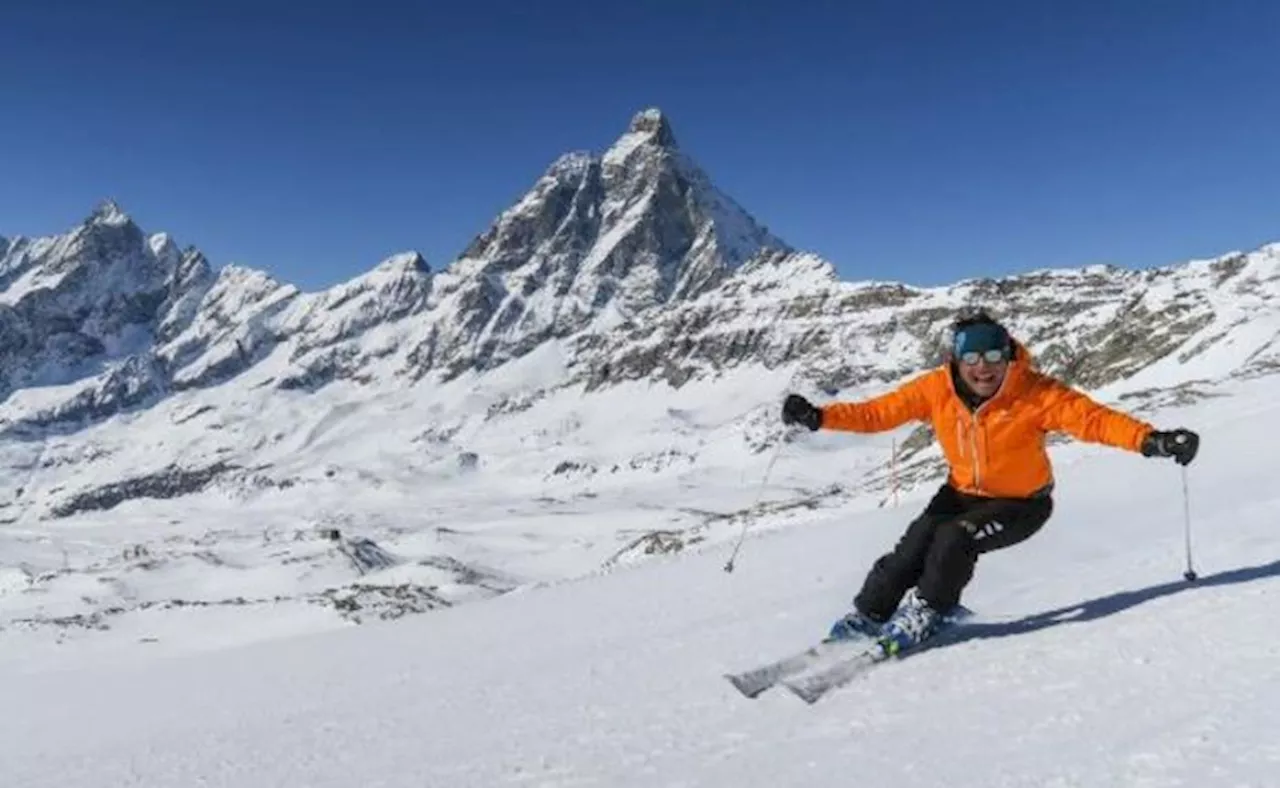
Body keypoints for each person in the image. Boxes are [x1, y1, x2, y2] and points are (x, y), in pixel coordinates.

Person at [781, 310, 1200, 655]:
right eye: (972, 358)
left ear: (1008, 357)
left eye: (994, 356)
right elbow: (878, 413)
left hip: (1022, 504)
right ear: (957, 361)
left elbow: (1093, 421)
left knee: (954, 539)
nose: (983, 367)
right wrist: (820, 417)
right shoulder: (935, 389)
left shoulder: (1034, 393)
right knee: (912, 548)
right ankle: (870, 614)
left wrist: (1152, 441)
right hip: (961, 492)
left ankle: (931, 610)